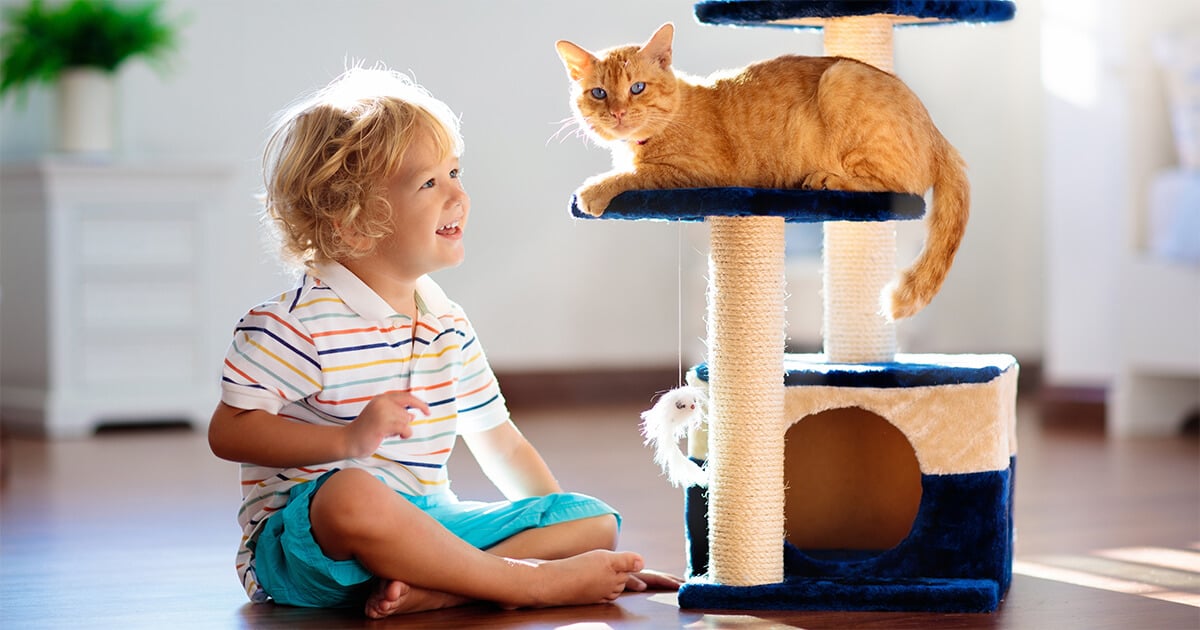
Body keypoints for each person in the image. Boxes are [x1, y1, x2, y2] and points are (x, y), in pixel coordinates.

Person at [208, 65, 682, 619]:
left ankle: (445, 587)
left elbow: (499, 443)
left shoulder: (445, 321)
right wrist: (346, 443)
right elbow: (228, 432)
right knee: (351, 493)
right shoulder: (293, 324)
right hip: (307, 546)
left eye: (455, 172)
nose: (459, 193)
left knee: (592, 520)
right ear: (353, 222)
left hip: (431, 520)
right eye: (430, 183)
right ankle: (521, 583)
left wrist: (575, 538)